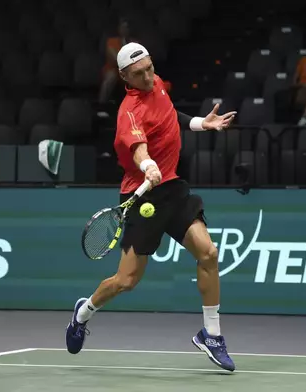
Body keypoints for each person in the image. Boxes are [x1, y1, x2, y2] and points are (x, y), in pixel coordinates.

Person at [65, 43, 238, 372]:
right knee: (126, 281)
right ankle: (83, 314)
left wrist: (203, 123)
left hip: (172, 188)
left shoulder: (157, 83)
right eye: (139, 73)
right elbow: (139, 147)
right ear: (124, 76)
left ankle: (211, 334)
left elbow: (170, 117)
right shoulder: (128, 112)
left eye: (149, 68)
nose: (148, 76)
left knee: (209, 253)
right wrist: (147, 166)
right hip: (142, 196)